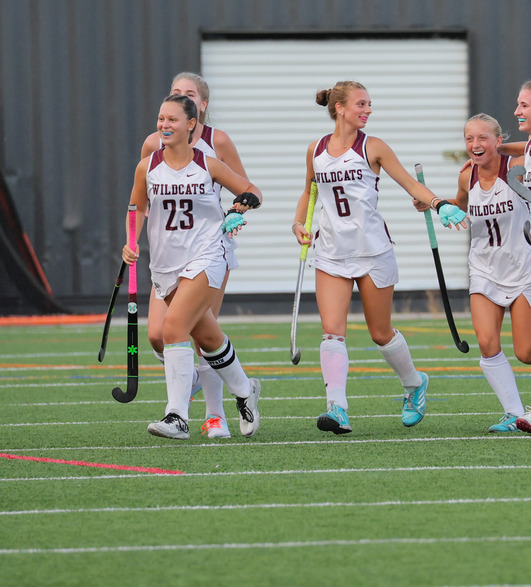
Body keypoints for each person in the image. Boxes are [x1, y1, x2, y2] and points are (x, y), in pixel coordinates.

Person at [292, 81, 468, 435]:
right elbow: (309, 191)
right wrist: (299, 223)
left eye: (369, 104)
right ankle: (337, 408)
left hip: (373, 251)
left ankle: (414, 383)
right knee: (332, 333)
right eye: (361, 104)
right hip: (330, 252)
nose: (368, 110)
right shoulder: (315, 150)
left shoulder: (374, 147)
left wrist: (440, 203)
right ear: (340, 108)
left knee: (380, 332)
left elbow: (409, 184)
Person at [122, 94, 262, 440]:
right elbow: (136, 208)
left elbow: (250, 189)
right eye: (160, 119)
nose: (164, 125)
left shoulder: (208, 163)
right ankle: (245, 391)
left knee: (172, 328)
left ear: (190, 125)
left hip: (205, 255)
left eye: (172, 119)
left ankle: (177, 417)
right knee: (208, 337)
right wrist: (131, 240)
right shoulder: (148, 166)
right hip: (165, 264)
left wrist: (240, 206)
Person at [425, 114, 531, 432]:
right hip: (484, 269)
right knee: (487, 342)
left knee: (528, 353)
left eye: (482, 138)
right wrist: (436, 205)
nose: (475, 145)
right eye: (469, 139)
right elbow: (462, 205)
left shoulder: (518, 169)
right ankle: (513, 413)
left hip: (523, 268)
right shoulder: (467, 175)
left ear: (498, 140)